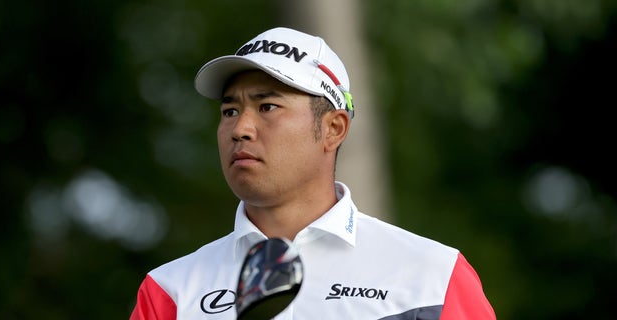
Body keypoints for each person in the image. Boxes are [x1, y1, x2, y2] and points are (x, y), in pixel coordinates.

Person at [129, 27, 496, 319]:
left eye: (267, 106)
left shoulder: (433, 276)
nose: (240, 128)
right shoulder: (170, 290)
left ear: (334, 128)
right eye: (229, 111)